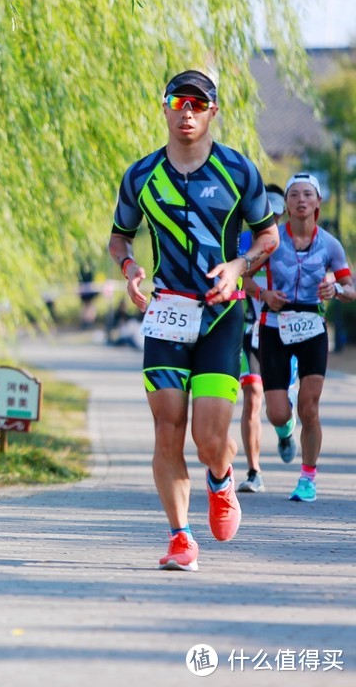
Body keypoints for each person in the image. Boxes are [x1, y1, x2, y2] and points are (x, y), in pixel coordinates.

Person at [108, 69, 279, 572]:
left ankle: (221, 478)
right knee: (167, 429)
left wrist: (238, 266)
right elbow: (120, 235)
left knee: (208, 438)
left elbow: (267, 237)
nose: (187, 112)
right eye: (178, 102)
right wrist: (129, 267)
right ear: (163, 107)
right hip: (165, 313)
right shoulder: (141, 175)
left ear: (212, 112)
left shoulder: (237, 170)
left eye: (198, 104)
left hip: (221, 315)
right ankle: (181, 537)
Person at [256, 172, 354, 503]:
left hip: (312, 325)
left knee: (309, 406)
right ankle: (285, 432)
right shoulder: (270, 241)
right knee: (278, 412)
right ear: (285, 203)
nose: (301, 200)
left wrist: (336, 288)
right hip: (274, 326)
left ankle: (308, 478)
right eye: (294, 194)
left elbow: (351, 288)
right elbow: (243, 277)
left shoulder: (330, 244)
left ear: (318, 203)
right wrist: (265, 294)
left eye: (307, 194)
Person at [236, 183, 287, 493]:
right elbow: (238, 273)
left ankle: (284, 429)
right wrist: (261, 293)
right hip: (252, 327)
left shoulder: (293, 245)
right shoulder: (241, 242)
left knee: (281, 409)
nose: (270, 222)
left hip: (289, 332)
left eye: (276, 217)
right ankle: (254, 471)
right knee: (252, 396)